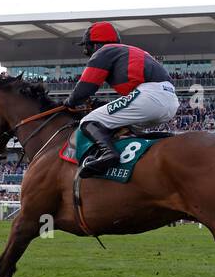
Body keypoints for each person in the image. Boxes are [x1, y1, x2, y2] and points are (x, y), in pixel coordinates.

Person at [65, 22, 180, 178]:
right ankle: (162, 139)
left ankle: (108, 154)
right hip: (170, 101)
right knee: (122, 129)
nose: (87, 52)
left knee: (88, 121)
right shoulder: (131, 51)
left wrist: (69, 103)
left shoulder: (105, 51)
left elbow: (85, 88)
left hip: (150, 96)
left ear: (96, 44)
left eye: (87, 47)